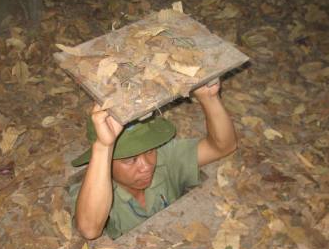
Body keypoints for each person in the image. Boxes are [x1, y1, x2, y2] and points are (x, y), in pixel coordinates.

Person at [69, 79, 237, 240]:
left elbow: (223, 147)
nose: (146, 166)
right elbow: (89, 230)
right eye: (130, 160)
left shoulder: (165, 156)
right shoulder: (92, 189)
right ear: (106, 161)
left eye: (149, 152)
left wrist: (209, 98)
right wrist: (104, 147)